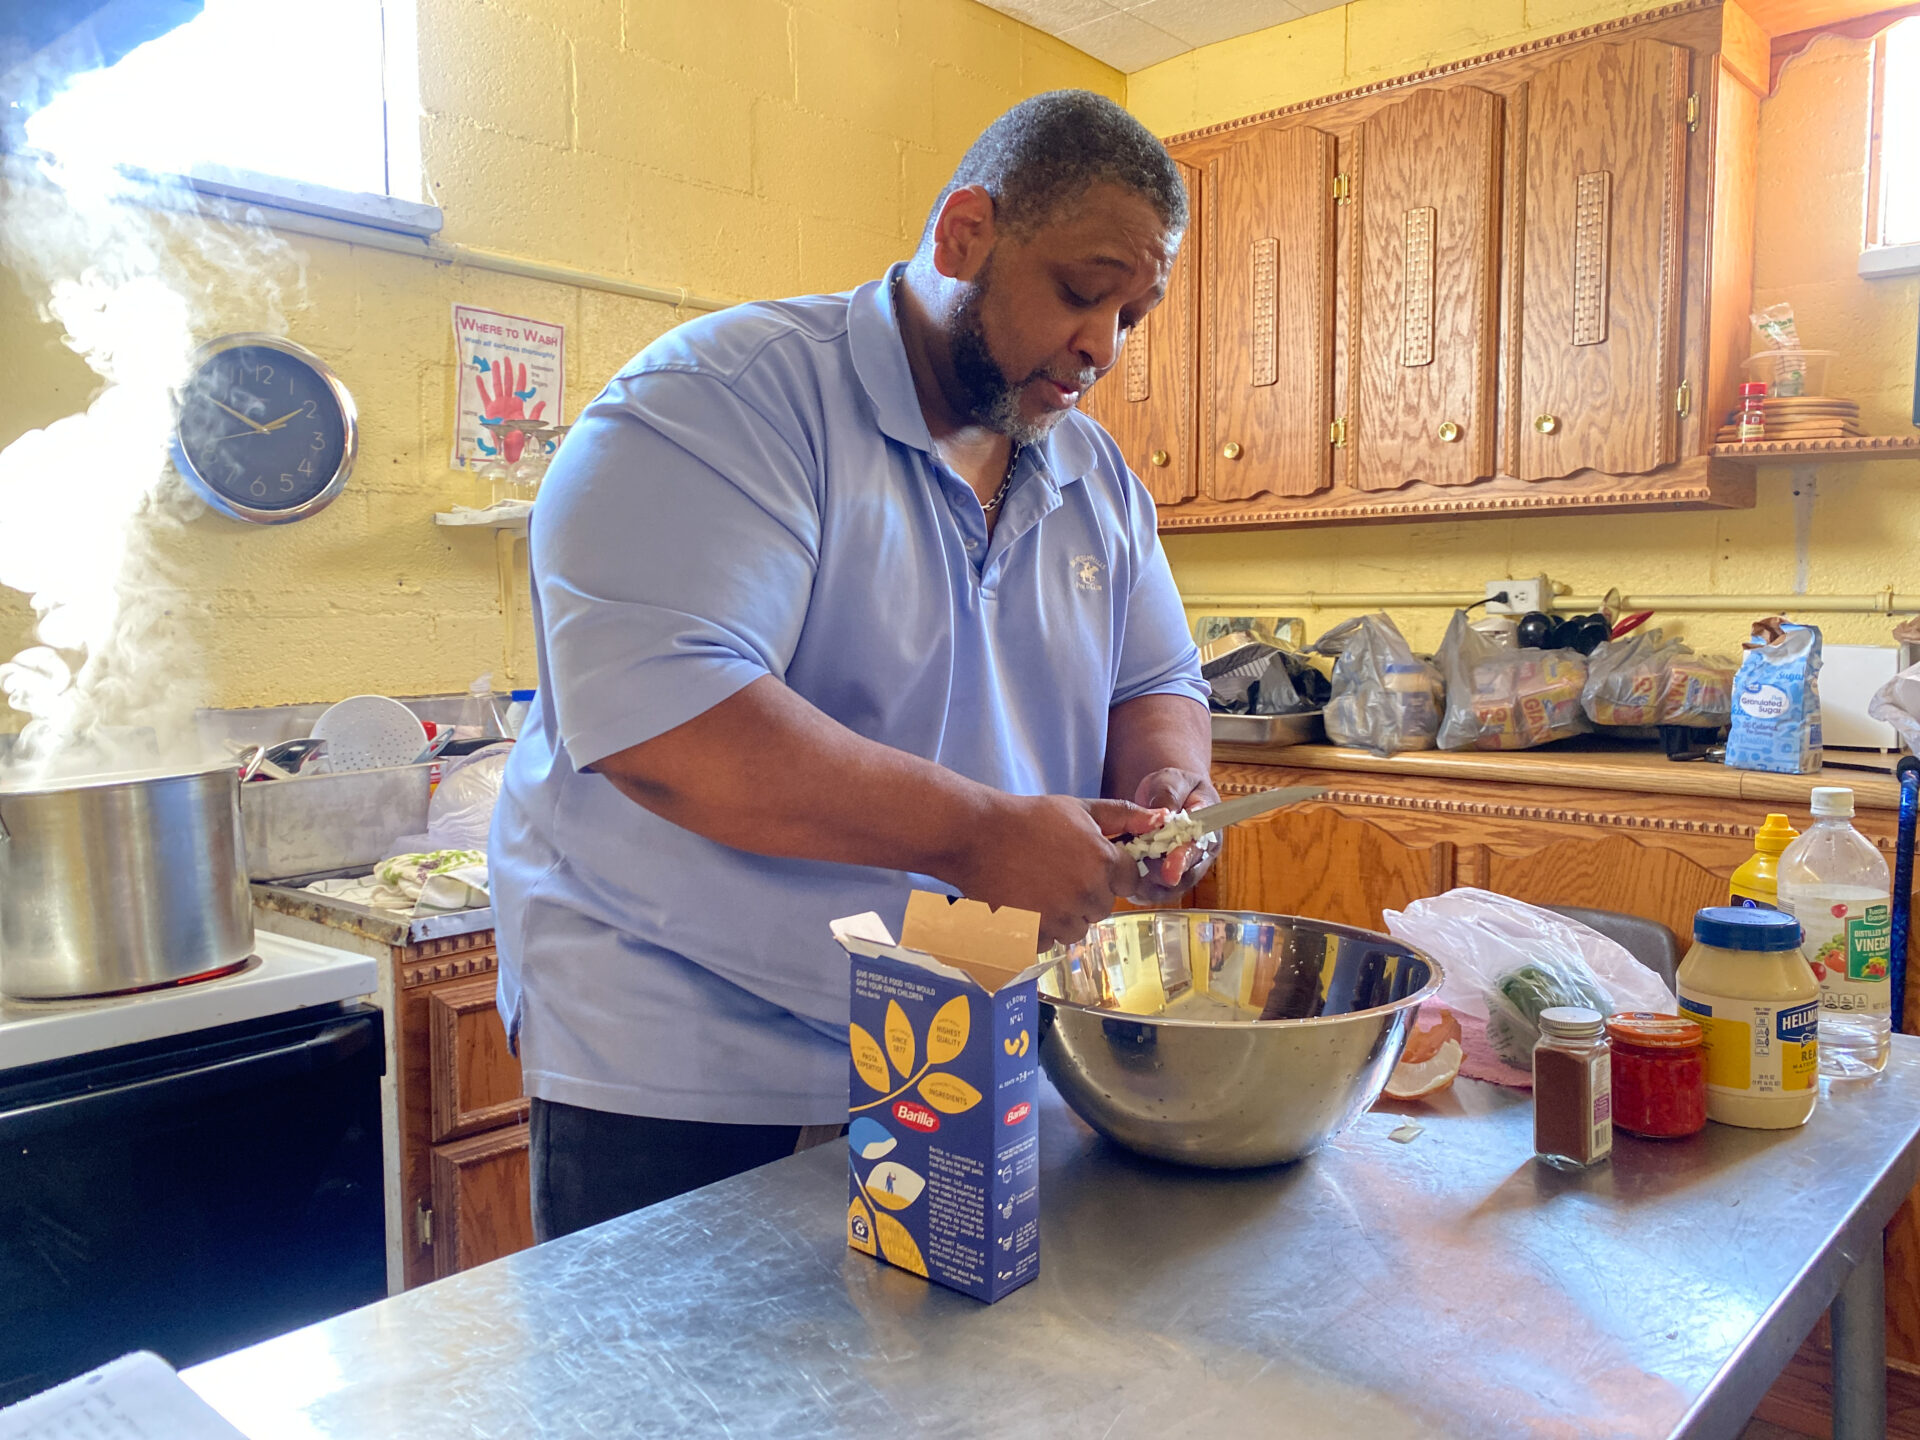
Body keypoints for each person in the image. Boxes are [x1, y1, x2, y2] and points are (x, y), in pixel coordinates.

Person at [491, 90, 1218, 1243]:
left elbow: (1155, 680)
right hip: (697, 1044)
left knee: (923, 1392)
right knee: (685, 1410)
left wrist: (1168, 788)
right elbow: (675, 734)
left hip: (954, 1025)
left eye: (1134, 312)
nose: (1103, 347)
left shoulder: (1095, 477)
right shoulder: (723, 404)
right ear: (964, 233)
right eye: (1082, 292)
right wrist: (984, 834)